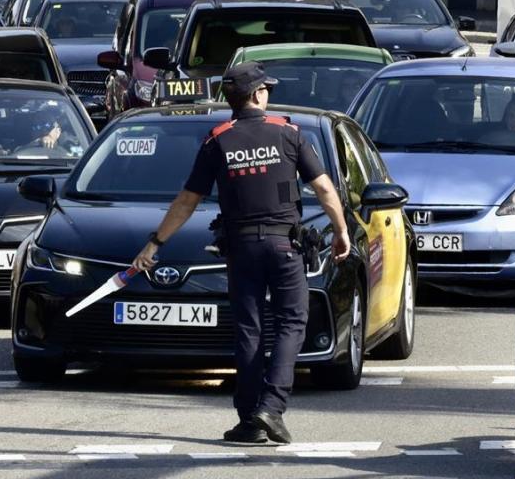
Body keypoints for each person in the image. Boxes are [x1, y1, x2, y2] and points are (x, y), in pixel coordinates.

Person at [131, 62, 353, 446]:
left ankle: (249, 419)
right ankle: (272, 406)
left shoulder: (217, 139)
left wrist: (155, 243)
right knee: (291, 323)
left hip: (242, 248)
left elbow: (186, 201)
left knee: (249, 330)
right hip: (284, 245)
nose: (268, 92)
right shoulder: (288, 134)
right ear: (257, 95)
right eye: (266, 88)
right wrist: (341, 231)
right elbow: (324, 188)